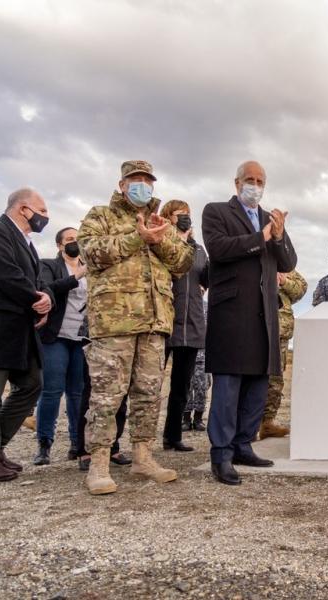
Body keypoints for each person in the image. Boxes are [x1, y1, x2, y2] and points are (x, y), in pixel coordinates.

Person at [77, 160, 193, 495]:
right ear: (122, 184)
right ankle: (99, 462)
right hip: (114, 322)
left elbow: (183, 262)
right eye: (135, 180)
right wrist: (136, 237)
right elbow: (91, 252)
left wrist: (158, 240)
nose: (142, 185)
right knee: (107, 396)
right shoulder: (102, 215)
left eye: (147, 180)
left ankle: (143, 455)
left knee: (148, 394)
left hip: (155, 322)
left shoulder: (161, 222)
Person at [202, 160, 297, 486]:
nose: (254, 185)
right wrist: (261, 236)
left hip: (264, 316)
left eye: (260, 181)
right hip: (232, 314)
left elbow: (288, 262)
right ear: (237, 182)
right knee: (228, 389)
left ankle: (244, 445)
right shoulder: (216, 212)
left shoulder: (272, 219)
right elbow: (218, 249)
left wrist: (279, 236)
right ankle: (222, 454)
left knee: (257, 386)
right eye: (249, 179)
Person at [0, 188, 53, 482]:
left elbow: (40, 282)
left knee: (32, 385)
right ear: (24, 209)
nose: (45, 217)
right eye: (43, 210)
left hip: (22, 333)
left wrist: (47, 298)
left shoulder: (29, 245)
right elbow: (6, 275)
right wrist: (36, 300)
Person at [31, 227, 87, 465]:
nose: (74, 243)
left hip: (82, 338)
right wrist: (76, 276)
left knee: (78, 392)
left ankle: (77, 443)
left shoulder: (91, 267)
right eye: (69, 240)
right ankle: (44, 444)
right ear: (59, 246)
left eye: (77, 239)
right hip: (56, 336)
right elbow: (48, 289)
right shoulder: (48, 265)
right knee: (52, 390)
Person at [160, 200, 209, 452]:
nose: (186, 219)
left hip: (191, 325)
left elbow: (206, 278)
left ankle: (172, 436)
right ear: (167, 217)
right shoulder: (160, 243)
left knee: (181, 385)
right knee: (148, 386)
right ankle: (130, 442)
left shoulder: (198, 250)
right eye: (180, 215)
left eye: (188, 215)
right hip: (163, 323)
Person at [262, 270, 307, 439]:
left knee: (275, 380)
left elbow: (301, 289)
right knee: (251, 378)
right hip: (255, 327)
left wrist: (284, 281)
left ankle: (267, 423)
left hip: (280, 331)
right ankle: (247, 425)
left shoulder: (287, 267)